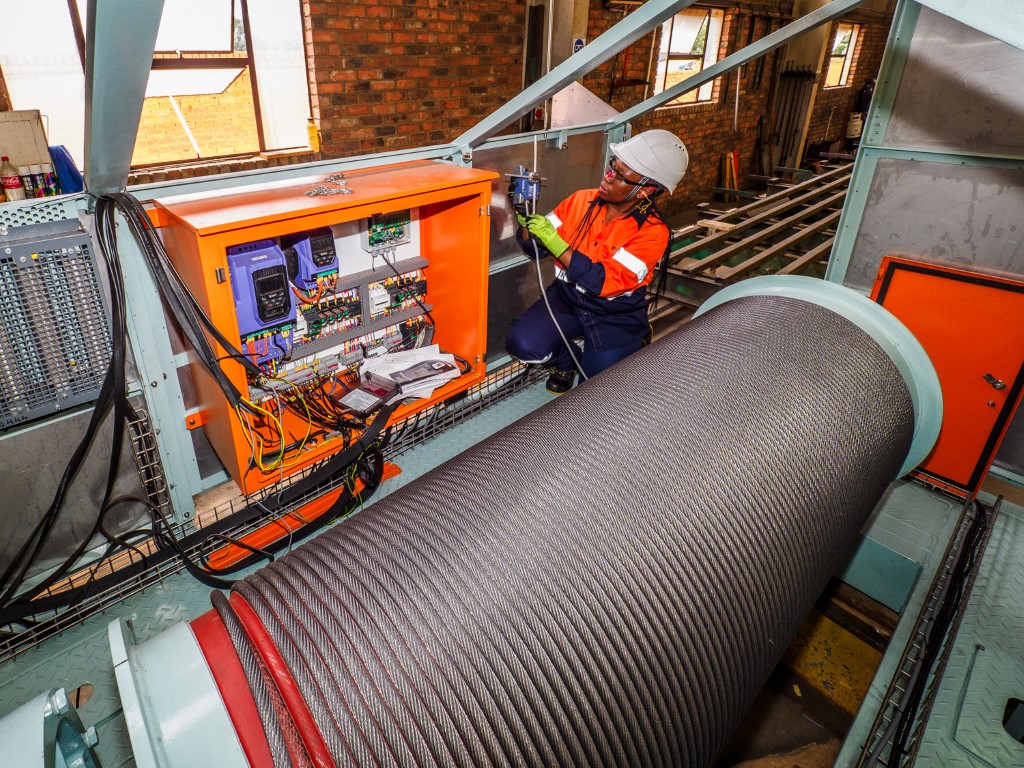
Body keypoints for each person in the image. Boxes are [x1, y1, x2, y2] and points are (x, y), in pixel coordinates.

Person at [505, 129, 689, 393]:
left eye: (620, 175)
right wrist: (524, 219)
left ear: (645, 191)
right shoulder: (581, 200)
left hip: (613, 314)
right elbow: (536, 249)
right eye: (613, 166)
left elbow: (602, 281)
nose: (608, 175)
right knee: (522, 345)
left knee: (594, 391)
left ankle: (633, 341)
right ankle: (565, 363)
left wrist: (557, 244)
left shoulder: (652, 232)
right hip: (566, 299)